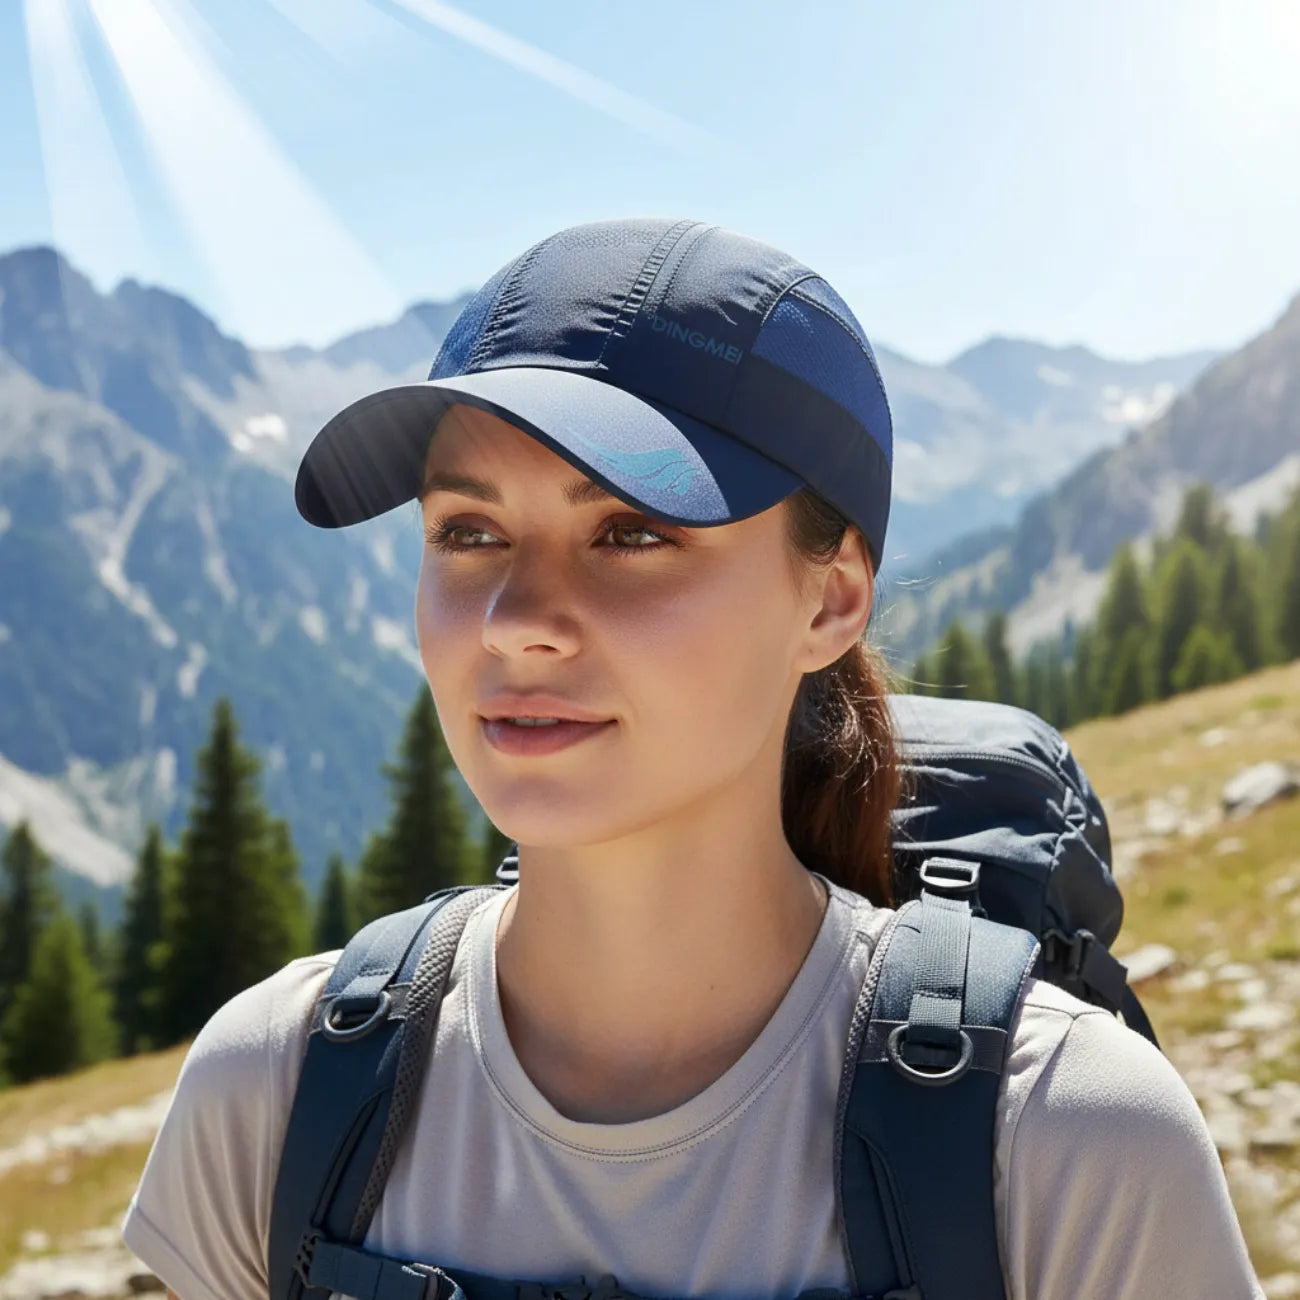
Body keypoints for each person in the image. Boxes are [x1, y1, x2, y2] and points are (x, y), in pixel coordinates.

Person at [122, 217, 1262, 1300]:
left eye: (631, 534)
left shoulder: (1072, 1140)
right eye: (467, 532)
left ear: (832, 598)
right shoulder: (270, 1092)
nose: (516, 619)